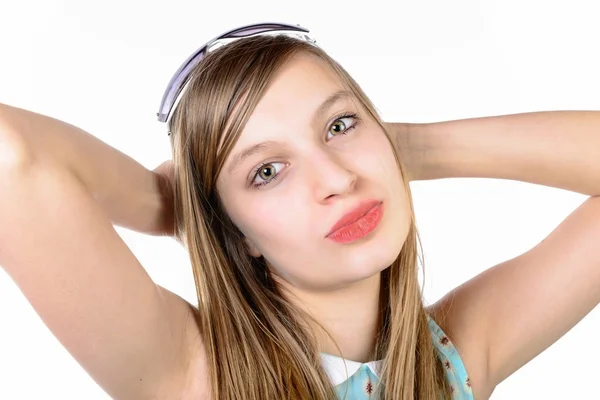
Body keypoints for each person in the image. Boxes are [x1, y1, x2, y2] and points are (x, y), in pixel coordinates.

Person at [0, 23, 598, 400]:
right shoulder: (195, 377)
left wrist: (408, 148)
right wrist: (167, 205)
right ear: (236, 233)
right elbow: (10, 155)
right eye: (266, 171)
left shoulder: (453, 362)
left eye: (341, 125)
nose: (338, 178)